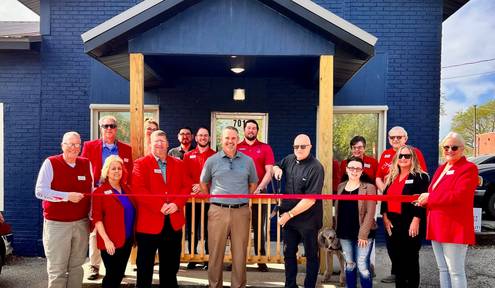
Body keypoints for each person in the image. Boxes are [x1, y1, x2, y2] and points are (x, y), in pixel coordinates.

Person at [417, 132, 478, 288]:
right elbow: (434, 192)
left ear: (462, 149)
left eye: (454, 147)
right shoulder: (442, 168)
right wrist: (424, 200)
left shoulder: (468, 168)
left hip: (454, 227)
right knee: (443, 269)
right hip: (437, 226)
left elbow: (459, 196)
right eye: (446, 147)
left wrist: (430, 198)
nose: (449, 150)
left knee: (455, 272)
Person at [200, 126, 258, 288]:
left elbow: (253, 183)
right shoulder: (212, 160)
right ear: (221, 139)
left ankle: (238, 286)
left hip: (241, 211)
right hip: (218, 211)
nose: (230, 141)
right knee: (216, 253)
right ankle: (214, 285)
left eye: (233, 138)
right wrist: (212, 200)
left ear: (238, 140)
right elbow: (203, 183)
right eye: (227, 138)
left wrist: (243, 197)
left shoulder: (248, 161)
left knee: (239, 254)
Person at [35, 131, 93, 288]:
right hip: (57, 225)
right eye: (70, 144)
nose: (73, 148)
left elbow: (92, 192)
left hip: (81, 223)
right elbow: (40, 191)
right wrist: (67, 196)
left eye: (77, 144)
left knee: (76, 267)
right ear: (62, 145)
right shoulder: (51, 162)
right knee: (57, 269)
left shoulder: (86, 164)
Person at [131, 130, 188, 288]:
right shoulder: (140, 163)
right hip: (149, 224)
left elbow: (185, 187)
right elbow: (138, 189)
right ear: (150, 144)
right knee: (145, 267)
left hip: (173, 223)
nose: (159, 144)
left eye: (163, 141)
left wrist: (176, 204)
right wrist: (160, 206)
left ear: (168, 144)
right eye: (156, 141)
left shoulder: (178, 163)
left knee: (170, 268)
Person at [81, 115, 133, 280]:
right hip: (98, 192)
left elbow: (129, 172)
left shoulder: (126, 149)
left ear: (116, 128)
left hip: (118, 192)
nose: (109, 129)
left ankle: (117, 264)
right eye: (105, 126)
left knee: (120, 222)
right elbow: (83, 169)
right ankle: (94, 265)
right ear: (100, 128)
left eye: (112, 126)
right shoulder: (89, 146)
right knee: (97, 229)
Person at [375, 126, 427, 283]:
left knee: (410, 259)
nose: (403, 158)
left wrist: (416, 219)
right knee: (396, 257)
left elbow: (421, 199)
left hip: (409, 221)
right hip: (392, 221)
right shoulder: (391, 176)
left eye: (407, 156)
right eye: (401, 156)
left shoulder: (420, 176)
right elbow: (385, 195)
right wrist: (384, 216)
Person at [273, 134, 324, 288]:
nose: (299, 149)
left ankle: (309, 286)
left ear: (310, 147)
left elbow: (310, 199)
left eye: (303, 146)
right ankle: (290, 285)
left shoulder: (316, 167)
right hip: (290, 218)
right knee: (288, 253)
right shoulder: (289, 159)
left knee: (311, 255)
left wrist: (288, 215)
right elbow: (276, 165)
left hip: (308, 219)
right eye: (296, 146)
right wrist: (276, 170)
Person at [237, 119, 275, 272]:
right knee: (238, 227)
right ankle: (237, 259)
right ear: (244, 130)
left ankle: (261, 258)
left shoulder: (265, 148)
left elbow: (269, 171)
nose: (251, 130)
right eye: (249, 128)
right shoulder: (237, 147)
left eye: (254, 128)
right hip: (240, 194)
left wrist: (259, 188)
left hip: (260, 194)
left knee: (260, 227)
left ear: (257, 131)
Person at [92, 155, 135, 288]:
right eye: (113, 169)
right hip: (110, 242)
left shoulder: (127, 189)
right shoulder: (100, 192)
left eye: (119, 168)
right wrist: (106, 240)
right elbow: (97, 219)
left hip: (126, 240)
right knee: (112, 276)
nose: (117, 171)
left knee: (119, 275)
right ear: (107, 171)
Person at [335, 156, 376, 288]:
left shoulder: (369, 187)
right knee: (350, 264)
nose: (354, 170)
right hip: (344, 232)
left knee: (363, 266)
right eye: (351, 168)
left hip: (363, 234)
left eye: (358, 168)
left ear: (362, 170)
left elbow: (370, 213)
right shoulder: (341, 186)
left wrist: (363, 234)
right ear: (346, 169)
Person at [183, 126, 216, 270]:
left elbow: (216, 176)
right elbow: (184, 175)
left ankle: (208, 258)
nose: (203, 138)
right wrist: (193, 185)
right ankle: (192, 256)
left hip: (209, 198)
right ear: (196, 138)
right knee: (192, 228)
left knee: (209, 229)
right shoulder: (188, 155)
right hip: (193, 198)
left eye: (205, 135)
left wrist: (203, 186)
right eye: (200, 135)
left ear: (209, 138)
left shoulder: (215, 155)